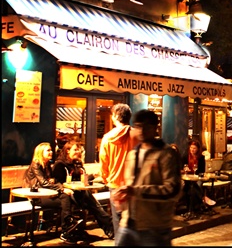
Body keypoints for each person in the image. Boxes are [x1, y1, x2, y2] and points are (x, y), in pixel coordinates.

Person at [114, 109, 182, 246]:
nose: (142, 130)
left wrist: (135, 191)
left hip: (154, 226)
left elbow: (172, 190)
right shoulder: (133, 154)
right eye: (138, 126)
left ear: (155, 128)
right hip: (128, 223)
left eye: (146, 126)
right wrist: (122, 196)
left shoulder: (166, 154)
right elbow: (130, 184)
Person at [52, 140, 114, 240]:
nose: (78, 152)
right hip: (67, 194)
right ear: (67, 150)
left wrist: (93, 176)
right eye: (75, 149)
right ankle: (110, 225)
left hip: (79, 192)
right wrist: (65, 188)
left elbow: (81, 180)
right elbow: (57, 182)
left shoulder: (77, 163)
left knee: (92, 202)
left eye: (79, 150)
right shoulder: (60, 164)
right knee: (93, 204)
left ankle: (109, 227)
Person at [23, 142, 83, 244]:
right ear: (41, 152)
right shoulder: (36, 164)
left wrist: (59, 187)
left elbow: (52, 181)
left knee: (67, 197)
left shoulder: (47, 165)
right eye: (48, 150)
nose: (51, 152)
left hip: (45, 194)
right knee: (66, 198)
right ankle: (67, 227)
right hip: (35, 196)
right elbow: (44, 183)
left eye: (51, 150)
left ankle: (67, 227)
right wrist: (62, 189)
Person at [99, 103, 137, 236]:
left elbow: (104, 162)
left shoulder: (107, 138)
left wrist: (106, 178)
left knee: (118, 220)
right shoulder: (136, 136)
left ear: (115, 116)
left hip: (115, 184)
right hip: (134, 185)